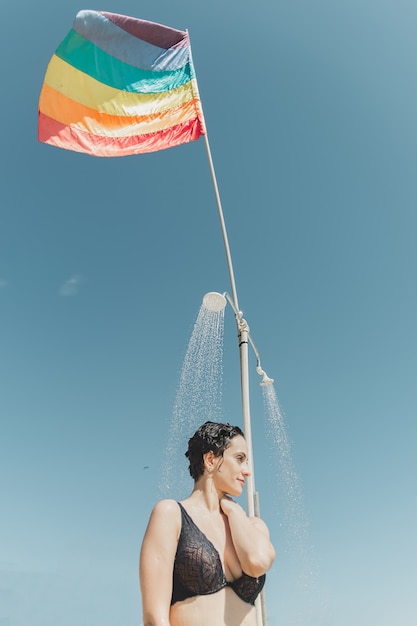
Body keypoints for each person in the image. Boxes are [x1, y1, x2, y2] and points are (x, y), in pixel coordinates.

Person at [139, 421, 275, 626]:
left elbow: (258, 562)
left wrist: (233, 510)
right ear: (210, 460)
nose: (247, 471)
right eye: (240, 459)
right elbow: (154, 618)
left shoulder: (253, 525)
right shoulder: (171, 514)